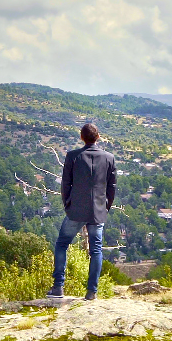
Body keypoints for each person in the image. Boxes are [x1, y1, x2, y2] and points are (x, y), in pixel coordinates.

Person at [46, 123, 117, 300]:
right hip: (97, 211)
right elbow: (112, 187)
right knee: (96, 250)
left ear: (81, 137)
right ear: (98, 137)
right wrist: (105, 207)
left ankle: (58, 287)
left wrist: (68, 205)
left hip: (76, 210)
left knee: (62, 244)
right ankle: (92, 292)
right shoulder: (109, 158)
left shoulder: (73, 156)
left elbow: (65, 184)